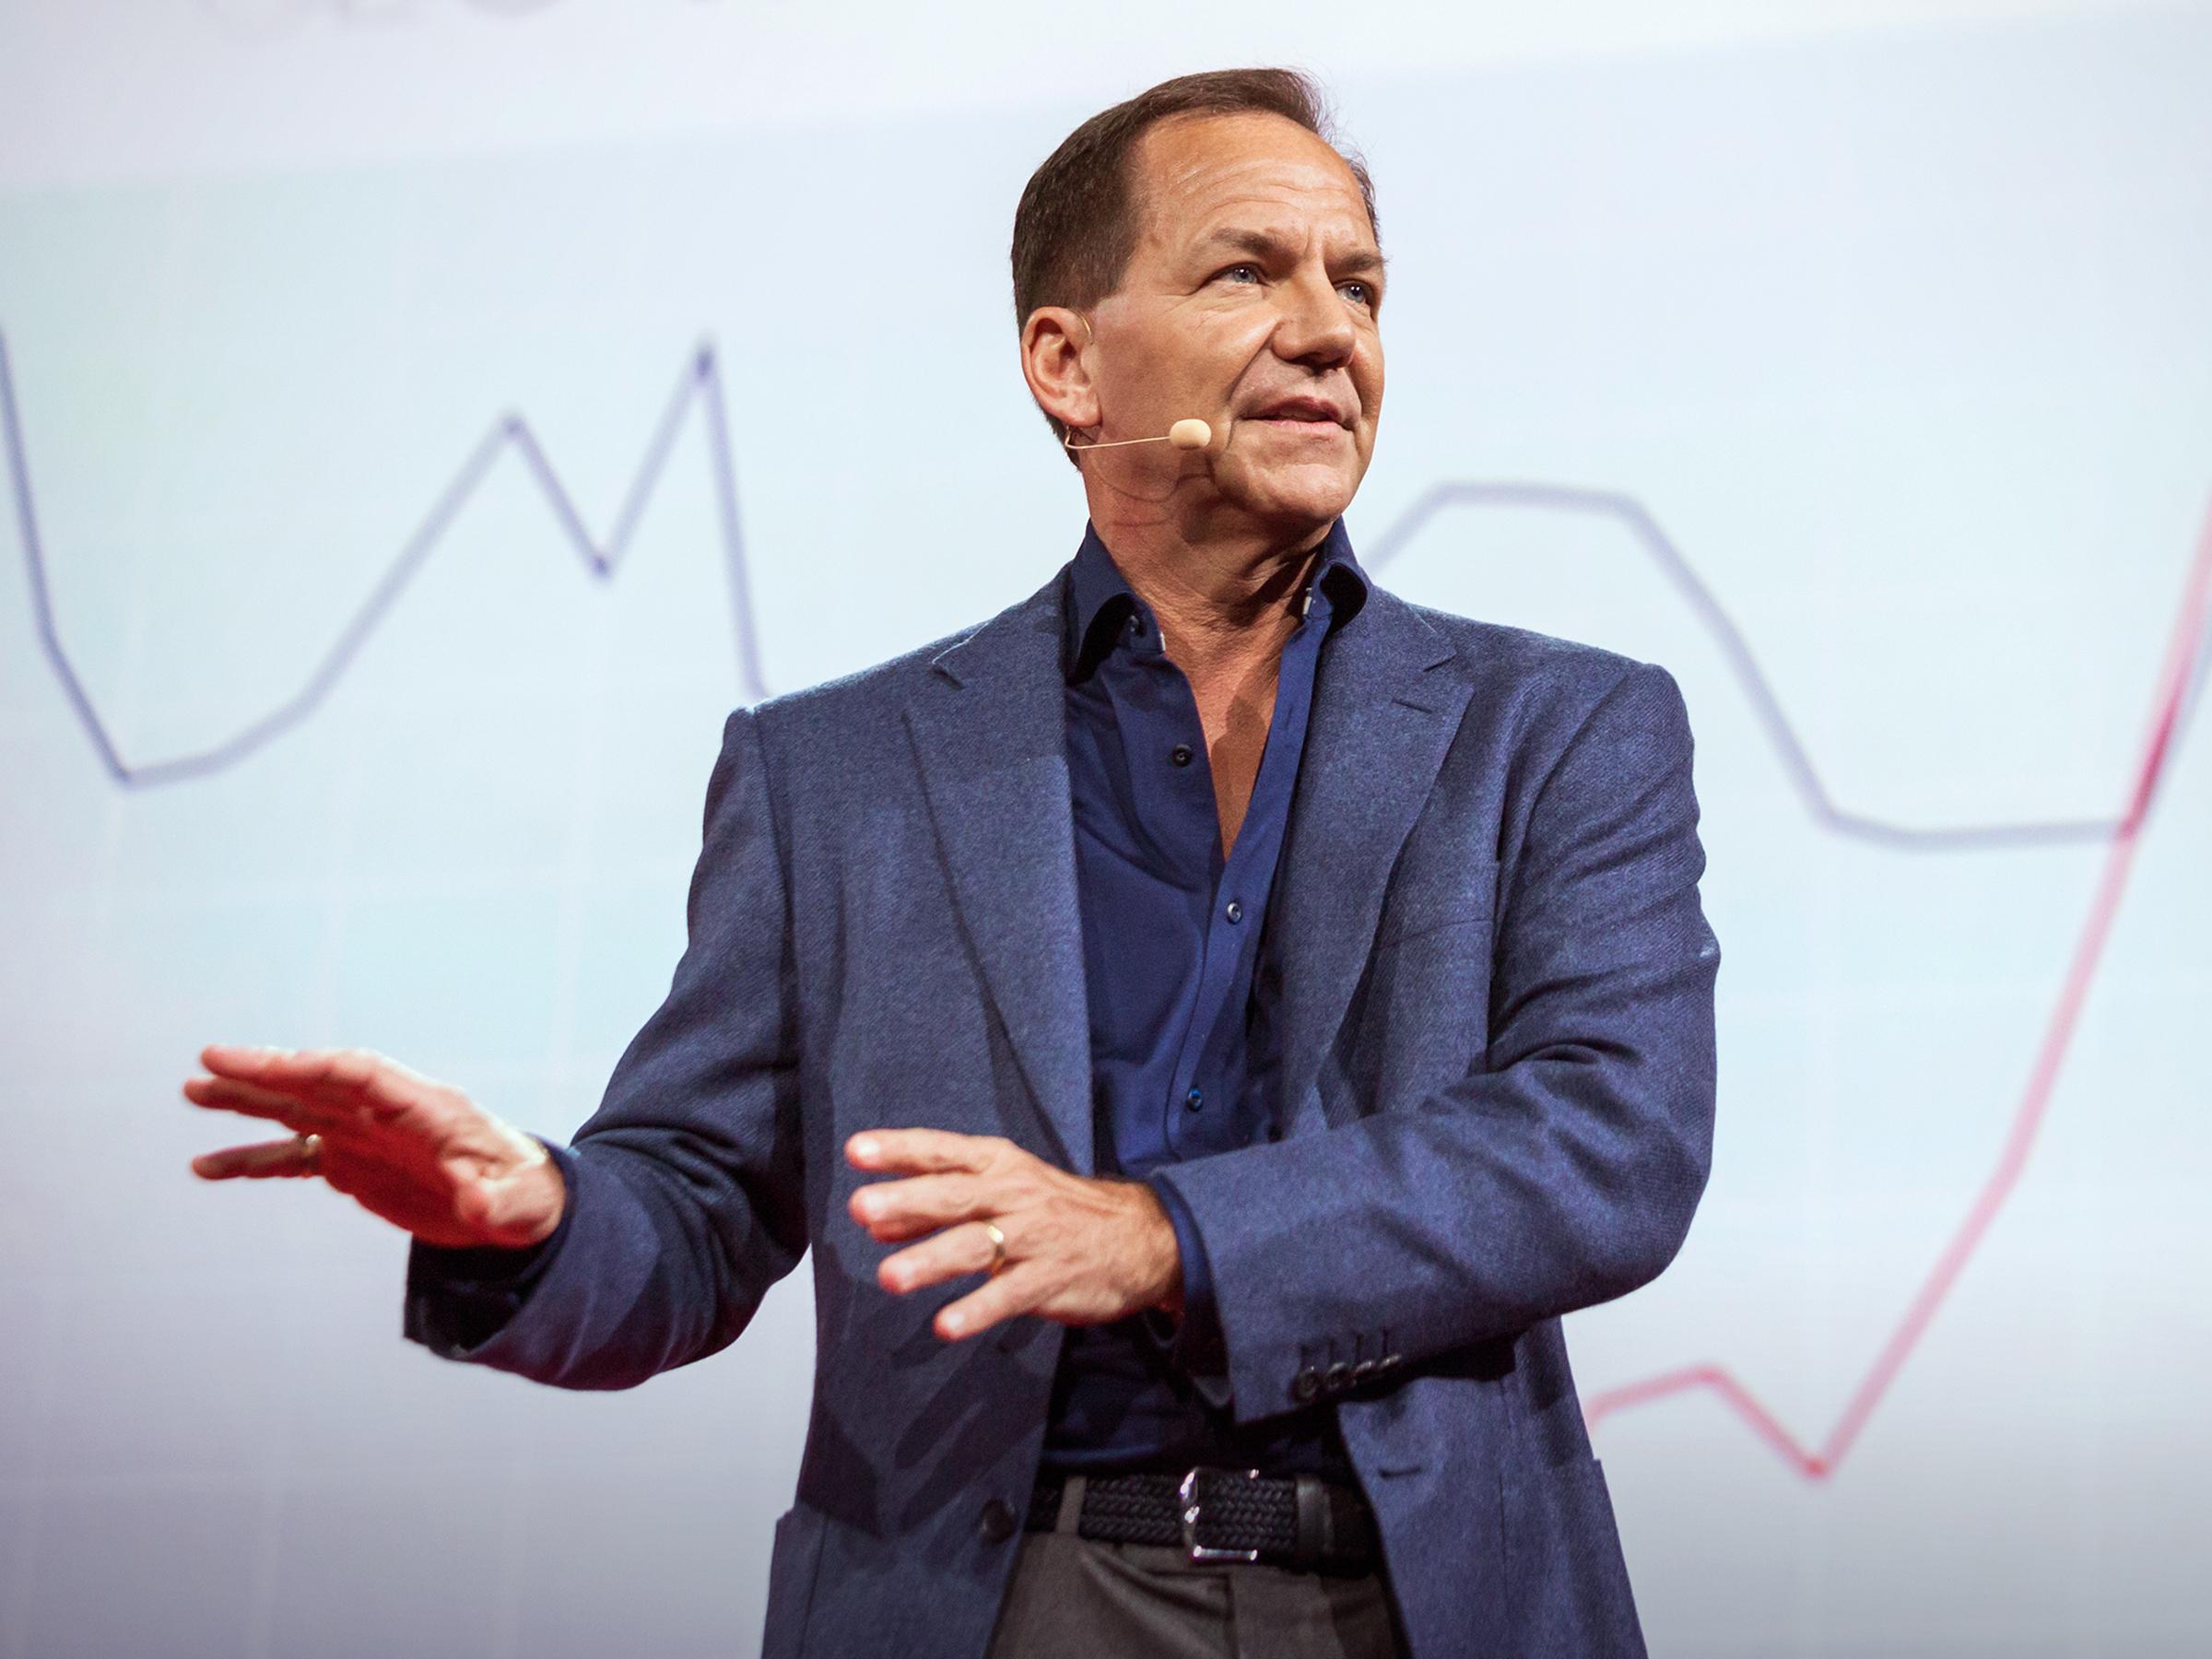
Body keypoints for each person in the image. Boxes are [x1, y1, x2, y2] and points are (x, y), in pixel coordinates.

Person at [183, 68, 1720, 1659]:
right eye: (1246, 272)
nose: (1332, 333)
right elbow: (700, 1208)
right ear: (1067, 362)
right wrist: (536, 1214)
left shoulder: (1558, 730)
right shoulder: (836, 775)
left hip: (1424, 1600)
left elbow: (1612, 1143)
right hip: (993, 1598)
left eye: (1363, 287)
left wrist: (1163, 1238)